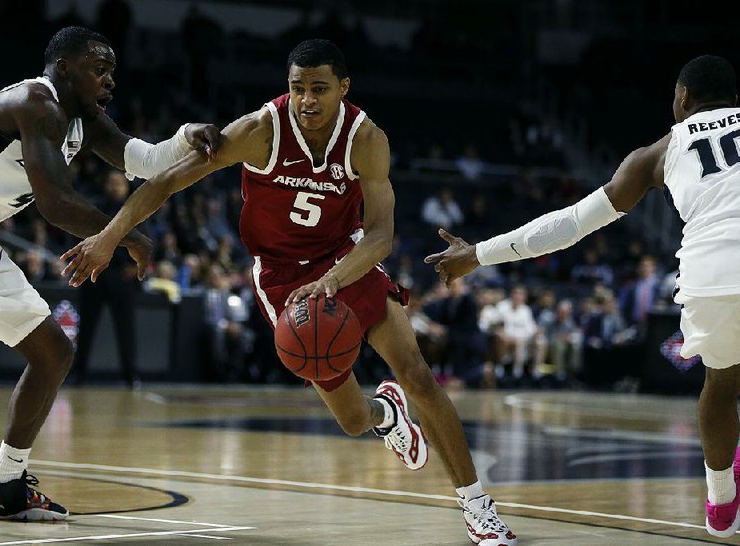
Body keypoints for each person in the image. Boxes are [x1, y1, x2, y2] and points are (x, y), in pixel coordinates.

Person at [60, 39, 516, 545]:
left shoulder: (367, 139)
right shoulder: (260, 131)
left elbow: (382, 234)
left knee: (417, 374)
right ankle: (385, 414)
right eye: (297, 88)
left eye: (319, 89)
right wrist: (108, 238)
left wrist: (335, 277)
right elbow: (165, 182)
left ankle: (478, 507)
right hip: (280, 276)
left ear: (344, 89)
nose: (307, 101)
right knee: (350, 420)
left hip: (347, 260)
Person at [425, 55, 740, 539]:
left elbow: (570, 225)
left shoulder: (657, 153)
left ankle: (721, 504)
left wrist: (478, 254)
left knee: (719, 384)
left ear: (681, 99)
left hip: (709, 273)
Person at [0, 26, 217, 521]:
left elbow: (146, 160)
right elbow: (56, 204)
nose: (110, 81)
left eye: (113, 71)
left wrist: (184, 137)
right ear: (63, 68)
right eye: (99, 69)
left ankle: (4, 486)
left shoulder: (80, 120)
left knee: (53, 352)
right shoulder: (35, 104)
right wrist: (125, 234)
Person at [70, 170, 141, 388]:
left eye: (119, 183)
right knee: (87, 327)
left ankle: (130, 376)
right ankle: (79, 374)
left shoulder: (136, 209)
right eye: (111, 182)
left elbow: (145, 240)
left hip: (122, 277)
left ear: (126, 187)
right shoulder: (96, 208)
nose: (114, 187)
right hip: (95, 276)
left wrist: (135, 267)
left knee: (126, 329)